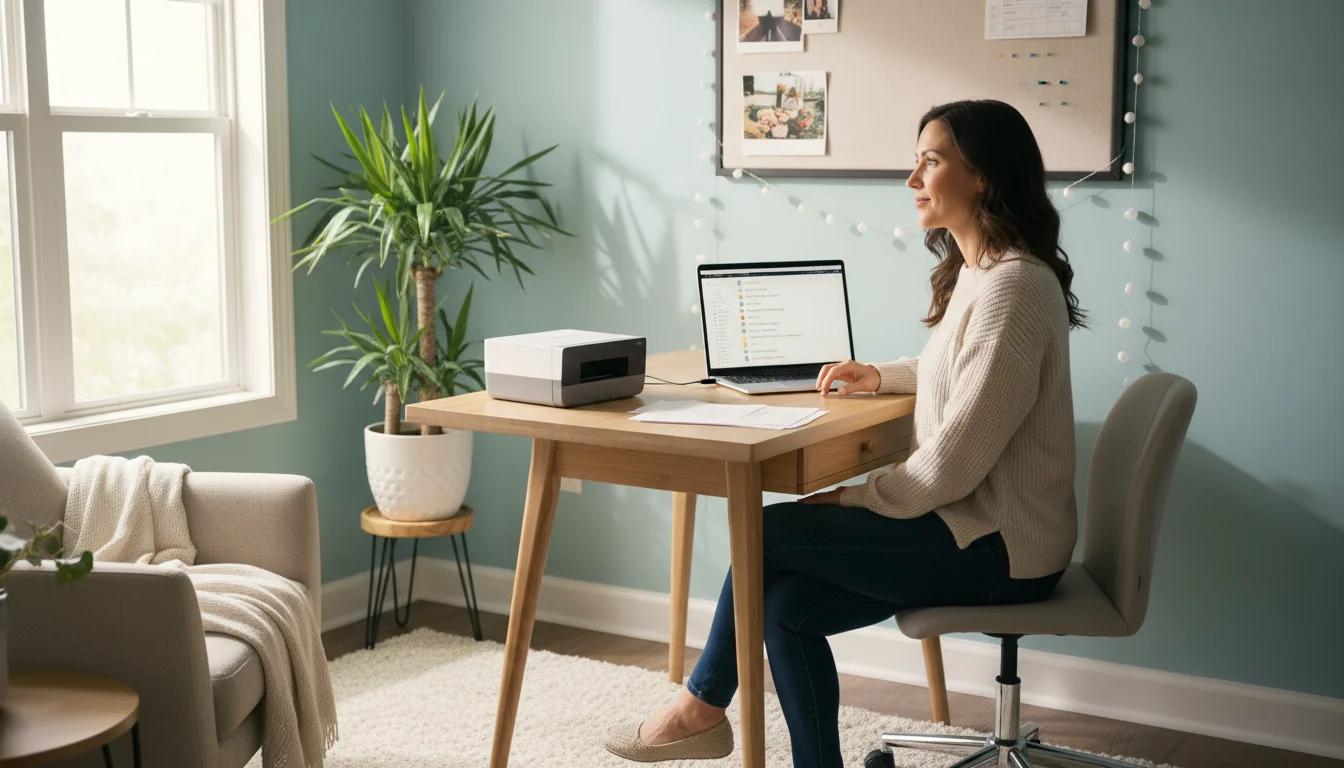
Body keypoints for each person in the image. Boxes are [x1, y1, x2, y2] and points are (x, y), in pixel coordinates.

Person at [603, 99, 1084, 767]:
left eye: (931, 161)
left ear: (982, 176)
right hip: (975, 528)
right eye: (915, 161)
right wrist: (878, 376)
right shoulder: (982, 274)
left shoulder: (1014, 288)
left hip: (1001, 548)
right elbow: (961, 371)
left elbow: (955, 462)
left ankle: (700, 707)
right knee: (785, 604)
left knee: (766, 533)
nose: (913, 180)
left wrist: (856, 497)